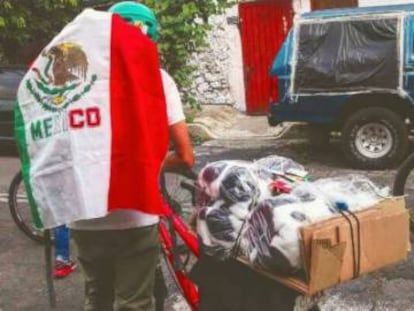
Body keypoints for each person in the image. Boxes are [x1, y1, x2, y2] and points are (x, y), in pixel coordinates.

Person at [70, 2, 194, 310]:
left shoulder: (74, 78)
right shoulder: (158, 79)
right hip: (135, 215)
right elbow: (185, 156)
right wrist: (140, 161)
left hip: (84, 215)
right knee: (134, 301)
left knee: (97, 295)